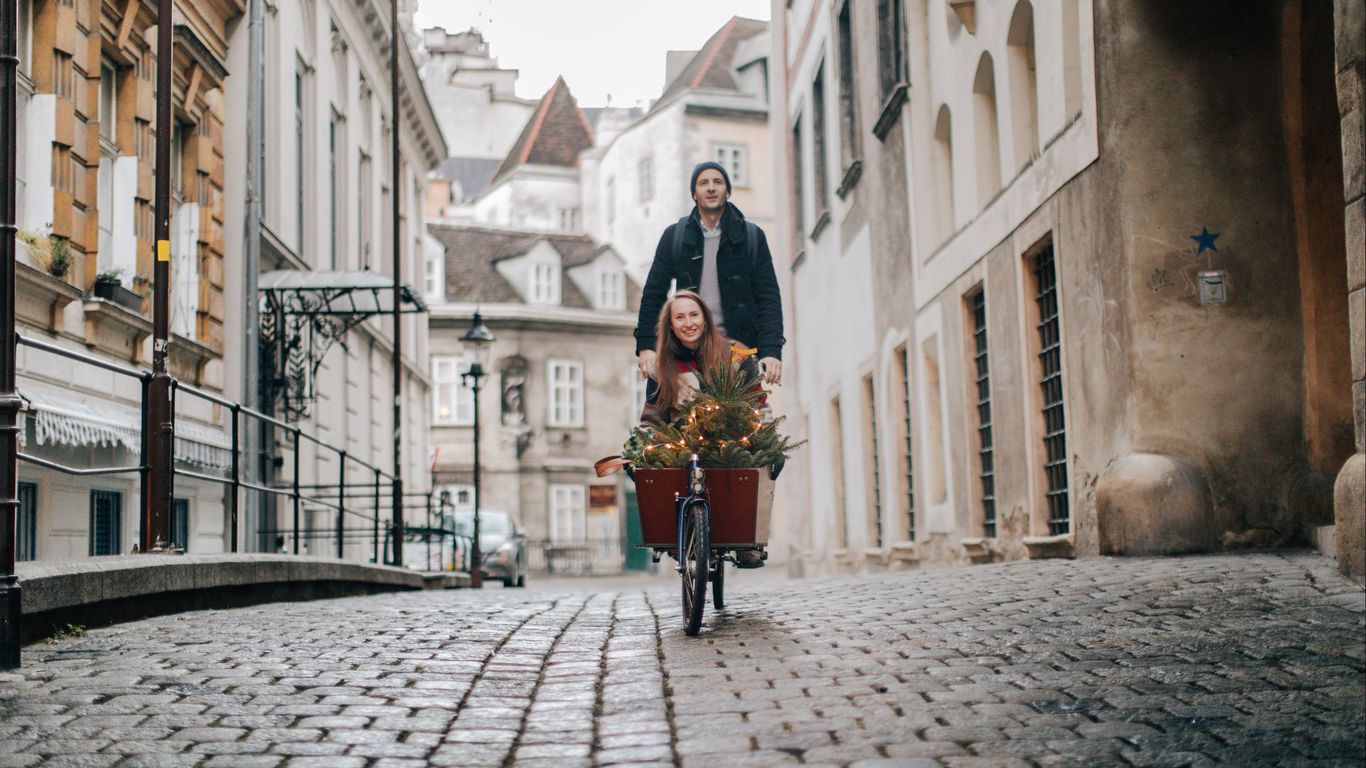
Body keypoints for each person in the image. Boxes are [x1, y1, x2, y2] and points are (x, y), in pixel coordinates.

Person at [640, 290, 766, 568]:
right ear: (670, 325)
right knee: (649, 470)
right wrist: (648, 442)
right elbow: (653, 415)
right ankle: (676, 536)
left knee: (758, 464)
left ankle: (746, 540)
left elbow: (756, 399)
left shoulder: (734, 354)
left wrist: (757, 428)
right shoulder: (662, 367)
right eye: (680, 317)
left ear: (706, 319)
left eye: (694, 315)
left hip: (731, 438)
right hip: (682, 441)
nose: (688, 323)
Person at [635, 161, 784, 388]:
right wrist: (647, 346)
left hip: (739, 354)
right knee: (671, 407)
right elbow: (653, 294)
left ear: (728, 191)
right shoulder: (675, 237)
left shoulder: (752, 237)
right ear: (694, 194)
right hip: (687, 353)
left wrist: (771, 351)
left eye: (718, 182)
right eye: (703, 183)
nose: (711, 188)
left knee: (747, 411)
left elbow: (768, 298)